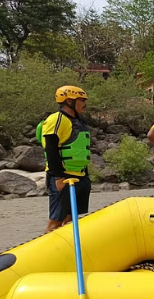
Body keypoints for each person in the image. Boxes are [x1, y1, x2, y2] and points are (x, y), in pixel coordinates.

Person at [40, 86, 91, 233]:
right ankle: (47, 253)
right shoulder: (56, 119)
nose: (85, 104)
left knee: (71, 220)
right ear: (69, 101)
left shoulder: (79, 121)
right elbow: (51, 149)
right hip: (63, 177)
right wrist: (58, 177)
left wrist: (85, 177)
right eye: (81, 100)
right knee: (55, 222)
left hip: (80, 176)